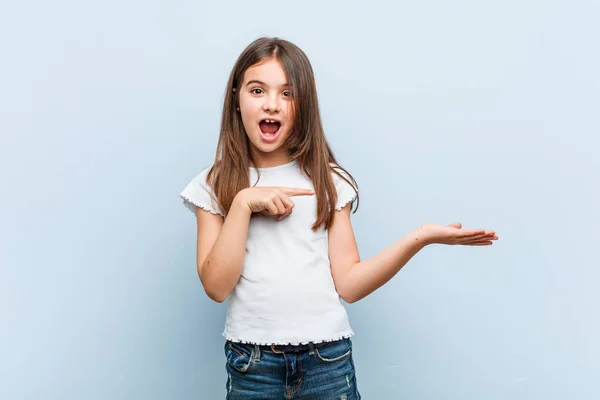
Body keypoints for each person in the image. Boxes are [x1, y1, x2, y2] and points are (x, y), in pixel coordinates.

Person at [180, 37, 498, 400]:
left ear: (305, 105)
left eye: (288, 93)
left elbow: (349, 284)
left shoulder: (329, 180)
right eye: (257, 90)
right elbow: (216, 287)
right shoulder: (213, 183)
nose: (272, 104)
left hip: (327, 361)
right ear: (236, 98)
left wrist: (420, 237)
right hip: (251, 366)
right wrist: (241, 205)